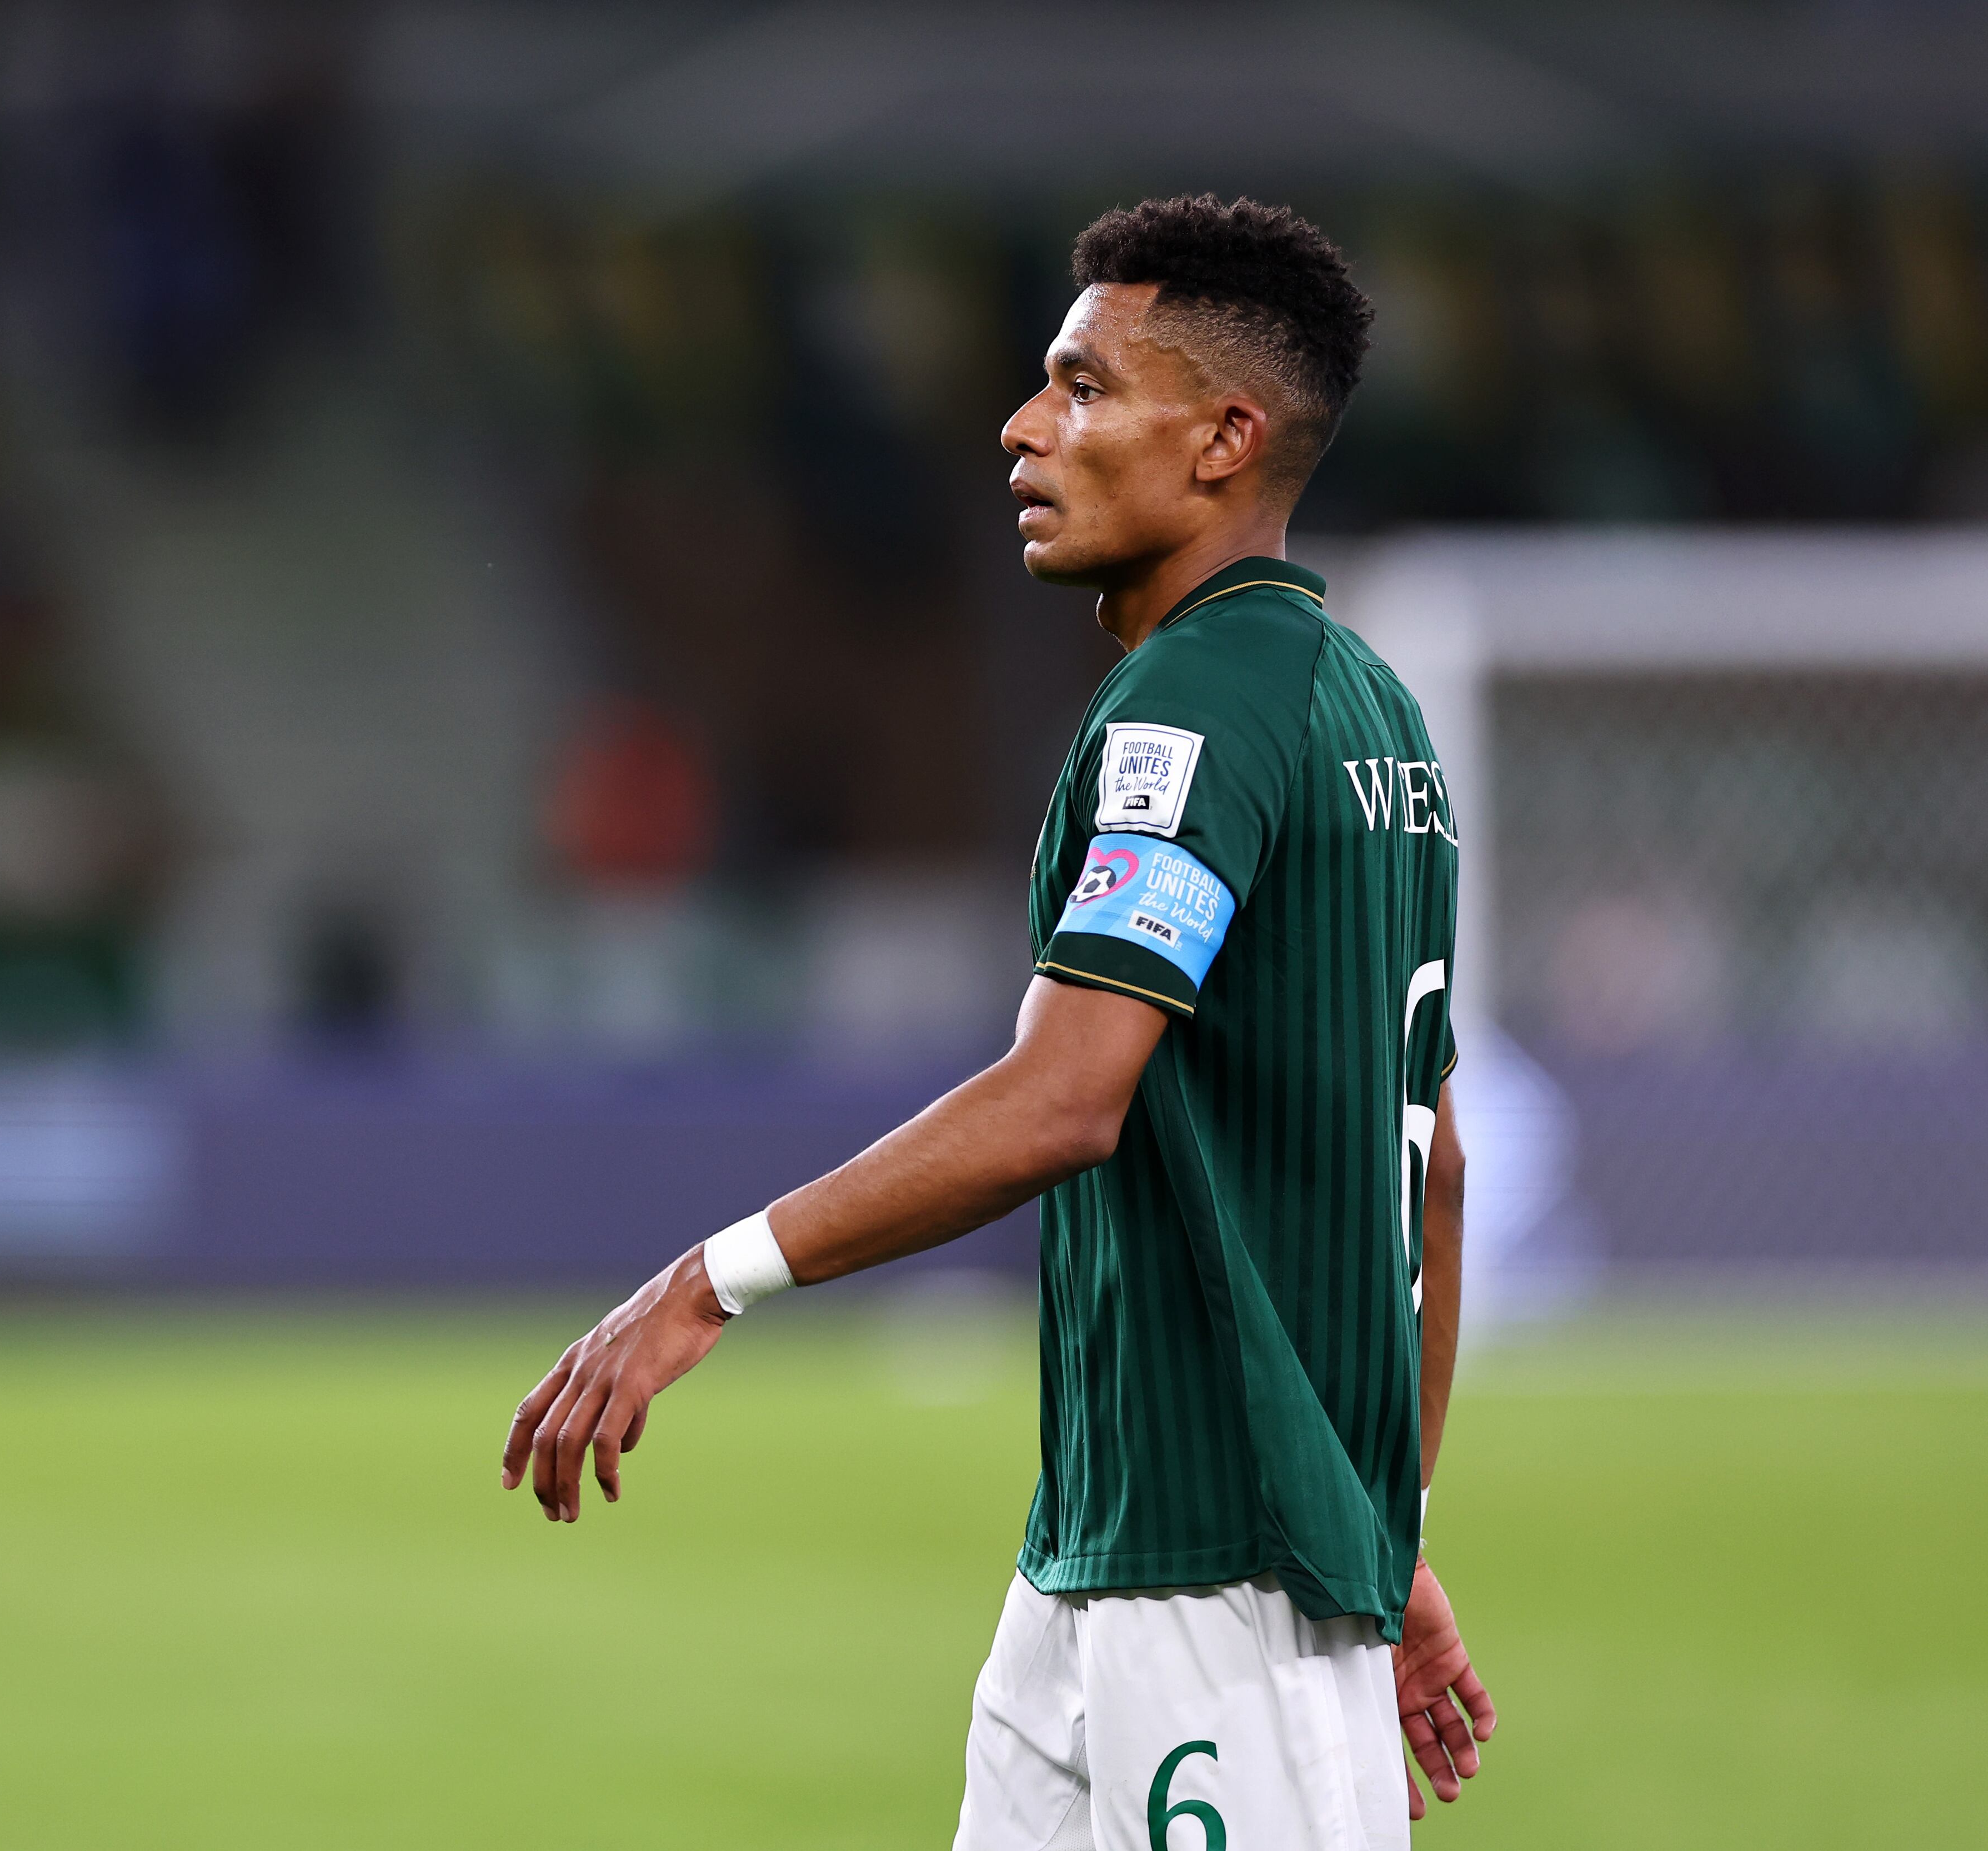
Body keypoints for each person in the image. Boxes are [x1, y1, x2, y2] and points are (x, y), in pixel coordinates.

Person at [500, 194, 1495, 1848]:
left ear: (1225, 439)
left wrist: (709, 1280)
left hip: (1216, 1571)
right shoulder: (1374, 714)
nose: (1025, 428)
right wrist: (1381, 1525)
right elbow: (1436, 1170)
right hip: (1108, 1556)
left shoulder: (1193, 707)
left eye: (1085, 388)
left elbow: (1064, 1098)